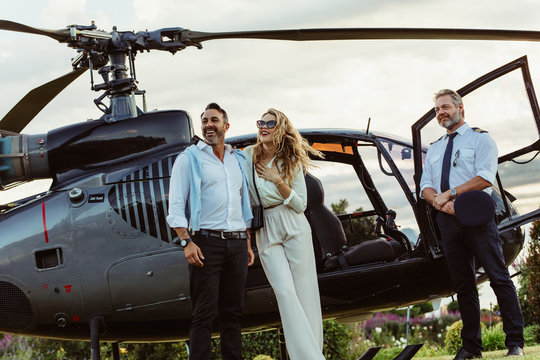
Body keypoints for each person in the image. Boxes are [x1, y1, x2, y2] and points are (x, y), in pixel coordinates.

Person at [420, 89, 524, 359]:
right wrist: (441, 203)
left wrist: (451, 194)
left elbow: (484, 178)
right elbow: (424, 188)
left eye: (445, 107)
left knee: (498, 277)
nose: (441, 113)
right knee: (464, 286)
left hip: (476, 218)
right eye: (436, 110)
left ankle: (515, 343)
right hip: (447, 221)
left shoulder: (481, 140)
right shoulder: (434, 148)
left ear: (460, 107)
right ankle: (471, 348)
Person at [167, 103, 254, 360]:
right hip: (206, 244)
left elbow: (242, 203)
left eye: (213, 120)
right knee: (204, 314)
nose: (208, 125)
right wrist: (186, 242)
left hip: (237, 243)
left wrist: (247, 242)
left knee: (233, 313)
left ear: (226, 126)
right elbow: (175, 205)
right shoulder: (189, 158)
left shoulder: (237, 159)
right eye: (204, 121)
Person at [243, 108, 326, 360]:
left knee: (305, 293)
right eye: (261, 122)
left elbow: (300, 204)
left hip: (293, 222)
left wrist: (278, 180)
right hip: (266, 225)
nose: (263, 126)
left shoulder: (290, 160)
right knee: (285, 292)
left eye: (270, 122)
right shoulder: (247, 156)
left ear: (280, 128)